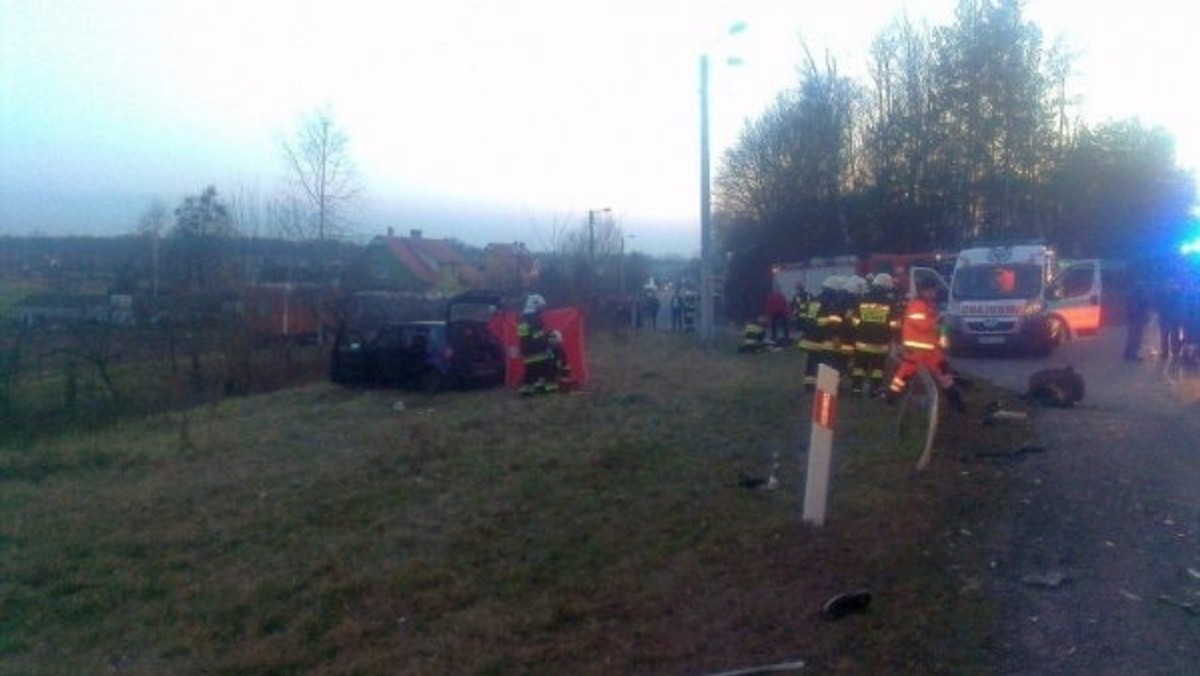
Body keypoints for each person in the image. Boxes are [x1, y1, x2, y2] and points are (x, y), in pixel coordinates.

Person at [885, 277, 965, 412]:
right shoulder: (917, 305)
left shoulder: (927, 304)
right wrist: (936, 320)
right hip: (916, 351)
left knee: (943, 371)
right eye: (932, 291)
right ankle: (890, 398)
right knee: (903, 375)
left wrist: (939, 329)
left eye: (935, 291)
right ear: (925, 291)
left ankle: (955, 401)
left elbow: (933, 327)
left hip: (929, 350)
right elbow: (923, 325)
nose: (934, 294)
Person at [850, 273, 898, 396]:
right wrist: (888, 334)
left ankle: (856, 389)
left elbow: (854, 320)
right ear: (887, 286)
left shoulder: (862, 299)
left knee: (859, 367)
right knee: (877, 368)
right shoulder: (890, 302)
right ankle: (874, 390)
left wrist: (861, 329)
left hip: (862, 341)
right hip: (880, 343)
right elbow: (894, 324)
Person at [518, 293, 560, 395]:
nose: (542, 309)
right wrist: (548, 338)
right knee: (548, 366)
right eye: (541, 307)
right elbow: (538, 337)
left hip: (526, 349)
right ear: (535, 306)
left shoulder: (523, 319)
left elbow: (525, 336)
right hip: (537, 348)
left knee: (531, 370)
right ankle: (549, 388)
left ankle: (527, 390)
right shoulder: (535, 319)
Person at [1123, 278, 1151, 361]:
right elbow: (1140, 307)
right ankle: (1132, 354)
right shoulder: (1138, 295)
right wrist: (1144, 317)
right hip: (1136, 318)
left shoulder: (1133, 294)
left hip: (1133, 318)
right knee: (1136, 337)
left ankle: (1128, 354)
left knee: (1132, 337)